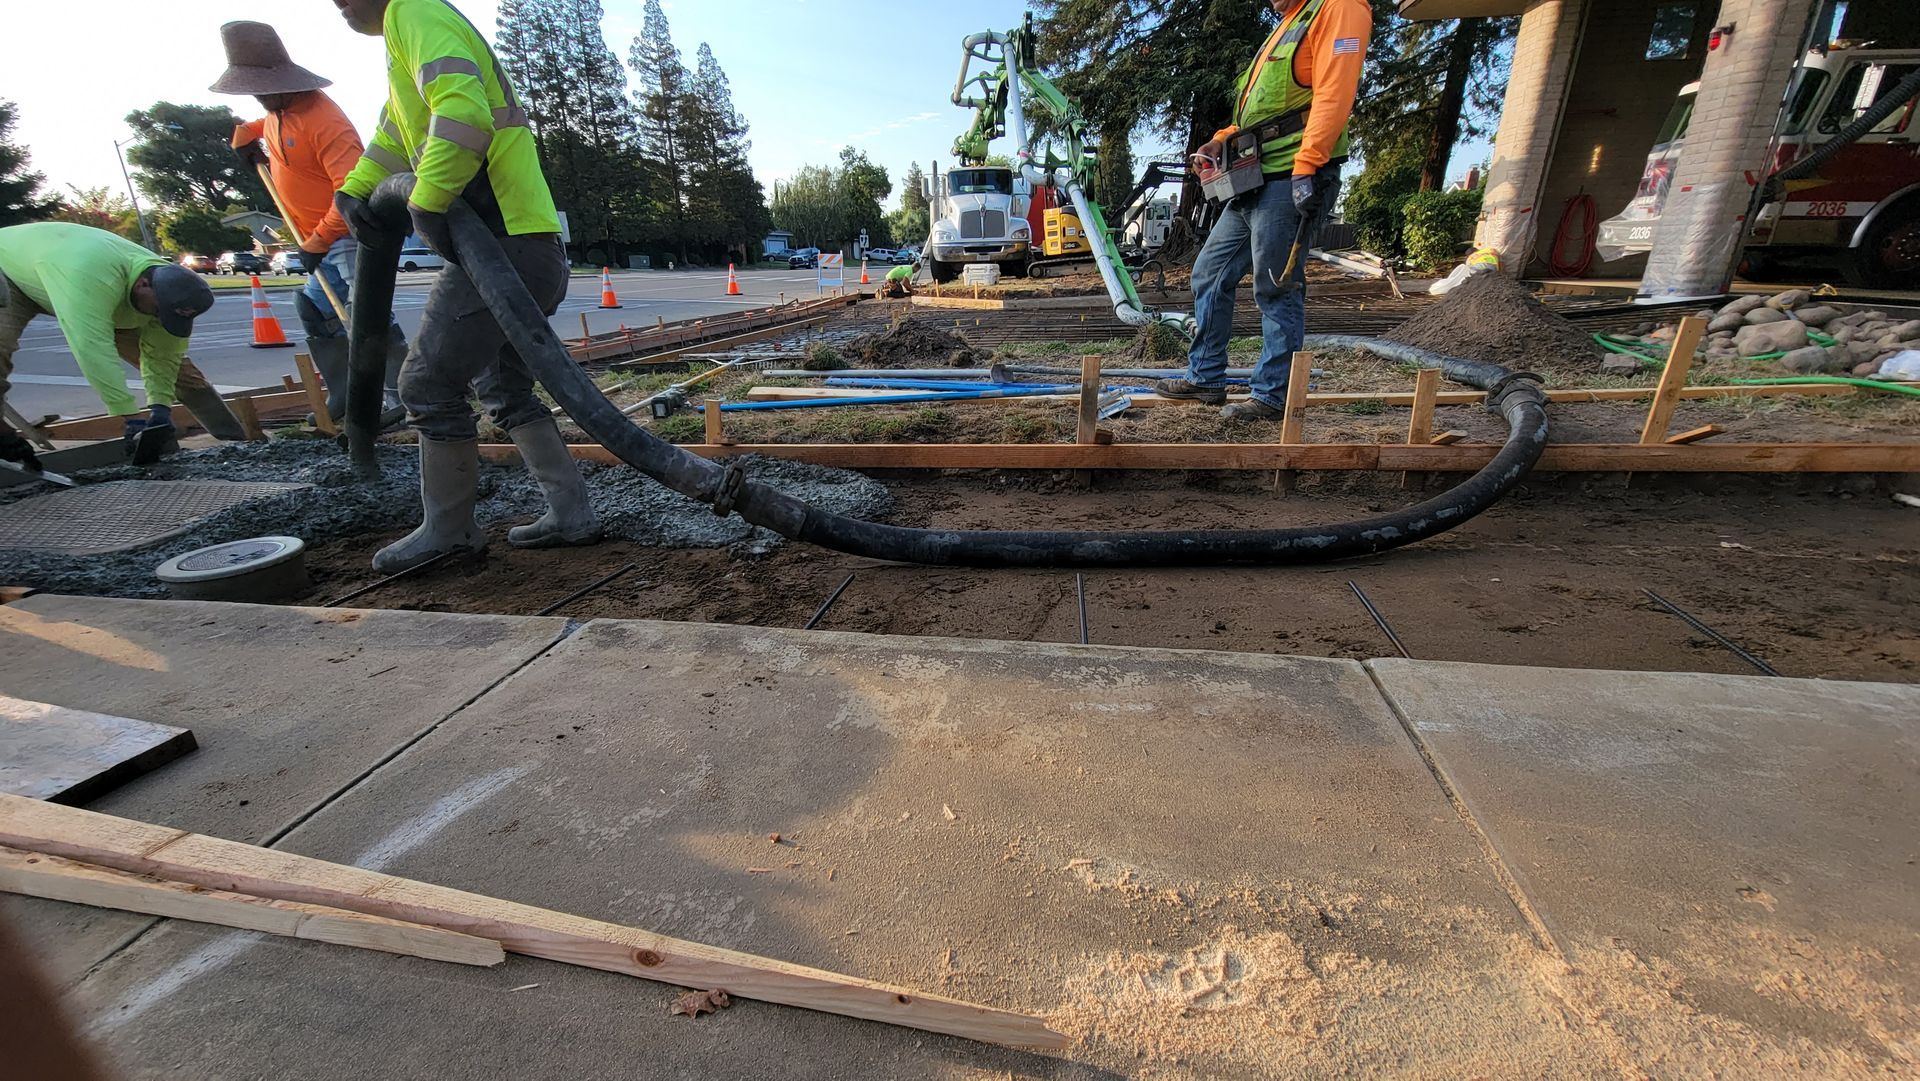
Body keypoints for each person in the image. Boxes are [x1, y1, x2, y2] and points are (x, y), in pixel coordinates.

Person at [330, 0, 600, 573]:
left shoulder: (413, 12)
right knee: (505, 389)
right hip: (529, 245)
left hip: (499, 243)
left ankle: (448, 531)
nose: (337, 5)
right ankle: (570, 515)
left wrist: (427, 202)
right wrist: (354, 190)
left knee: (426, 385)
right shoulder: (404, 48)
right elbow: (392, 141)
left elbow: (464, 116)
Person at [1154, 0, 1372, 420]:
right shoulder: (1289, 25)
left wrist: (1307, 165)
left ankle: (1272, 396)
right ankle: (1205, 378)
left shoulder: (1339, 8)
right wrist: (1223, 138)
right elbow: (1269, 111)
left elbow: (1335, 92)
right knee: (1209, 273)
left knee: (1275, 286)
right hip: (1254, 178)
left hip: (1292, 175)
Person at [212, 19, 408, 425]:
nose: (258, 97)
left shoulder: (326, 123)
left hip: (350, 236)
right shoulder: (278, 110)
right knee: (314, 308)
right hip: (315, 236)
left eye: (262, 89)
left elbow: (352, 192)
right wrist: (243, 136)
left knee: (368, 316)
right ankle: (347, 394)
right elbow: (262, 125)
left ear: (285, 81)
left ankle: (400, 400)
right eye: (252, 90)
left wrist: (318, 241)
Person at [0, 222, 243, 467]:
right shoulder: (92, 278)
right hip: (10, 271)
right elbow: (93, 350)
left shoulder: (169, 290)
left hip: (85, 284)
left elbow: (163, 357)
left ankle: (237, 439)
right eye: (159, 312)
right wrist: (131, 417)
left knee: (181, 372)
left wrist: (160, 409)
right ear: (142, 286)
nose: (160, 319)